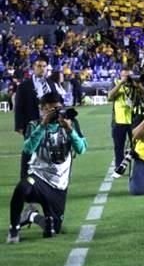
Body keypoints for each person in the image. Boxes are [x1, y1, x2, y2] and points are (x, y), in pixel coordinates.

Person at [7, 91, 87, 243]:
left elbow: (81, 149)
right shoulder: (34, 125)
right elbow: (28, 149)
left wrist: (70, 130)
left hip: (59, 183)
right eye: (52, 110)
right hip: (38, 176)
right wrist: (43, 125)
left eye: (58, 108)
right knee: (22, 188)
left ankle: (32, 215)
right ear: (42, 109)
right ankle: (13, 229)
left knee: (53, 229)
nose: (57, 113)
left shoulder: (71, 123)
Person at [14, 57, 51, 179]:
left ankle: (44, 175)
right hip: (32, 124)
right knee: (29, 150)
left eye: (44, 66)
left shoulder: (50, 84)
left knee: (47, 149)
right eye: (39, 66)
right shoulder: (24, 86)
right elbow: (19, 107)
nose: (42, 69)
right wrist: (19, 126)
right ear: (33, 68)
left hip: (50, 124)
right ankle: (24, 176)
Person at [106, 69, 141, 178]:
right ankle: (119, 167)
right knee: (119, 147)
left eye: (129, 76)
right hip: (119, 120)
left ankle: (139, 167)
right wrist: (121, 83)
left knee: (137, 145)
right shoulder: (116, 83)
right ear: (120, 76)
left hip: (134, 120)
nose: (127, 78)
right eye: (124, 76)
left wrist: (138, 85)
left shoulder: (135, 85)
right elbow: (109, 97)